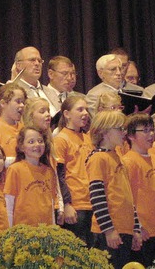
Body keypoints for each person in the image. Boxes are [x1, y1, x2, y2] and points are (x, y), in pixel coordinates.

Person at [87, 111, 140, 268]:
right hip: (108, 231)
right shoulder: (98, 158)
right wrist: (109, 229)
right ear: (104, 131)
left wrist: (135, 228)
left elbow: (128, 196)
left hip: (124, 229)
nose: (123, 132)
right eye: (119, 128)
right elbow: (97, 197)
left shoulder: (117, 157)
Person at [123, 112, 155, 266]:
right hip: (143, 232)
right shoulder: (128, 161)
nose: (150, 134)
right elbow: (127, 199)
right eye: (144, 130)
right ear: (131, 135)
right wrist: (136, 228)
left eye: (152, 130)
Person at [53, 96, 93, 246]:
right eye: (80, 109)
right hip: (76, 205)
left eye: (87, 109)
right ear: (67, 114)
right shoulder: (61, 139)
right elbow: (59, 175)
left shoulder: (88, 138)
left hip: (91, 203)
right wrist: (68, 204)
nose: (85, 113)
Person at [4, 126, 57, 226]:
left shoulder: (49, 171)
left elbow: (51, 203)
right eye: (31, 142)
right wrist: (9, 231)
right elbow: (9, 203)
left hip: (46, 231)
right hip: (23, 230)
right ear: (21, 147)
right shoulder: (15, 169)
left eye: (40, 141)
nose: (37, 145)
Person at [12, 47, 58, 116]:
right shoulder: (14, 92)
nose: (37, 64)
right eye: (32, 60)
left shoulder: (51, 92)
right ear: (19, 65)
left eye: (39, 61)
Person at [0, 83, 26, 160]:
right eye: (18, 101)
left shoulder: (24, 128)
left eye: (23, 102)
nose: (22, 105)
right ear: (3, 103)